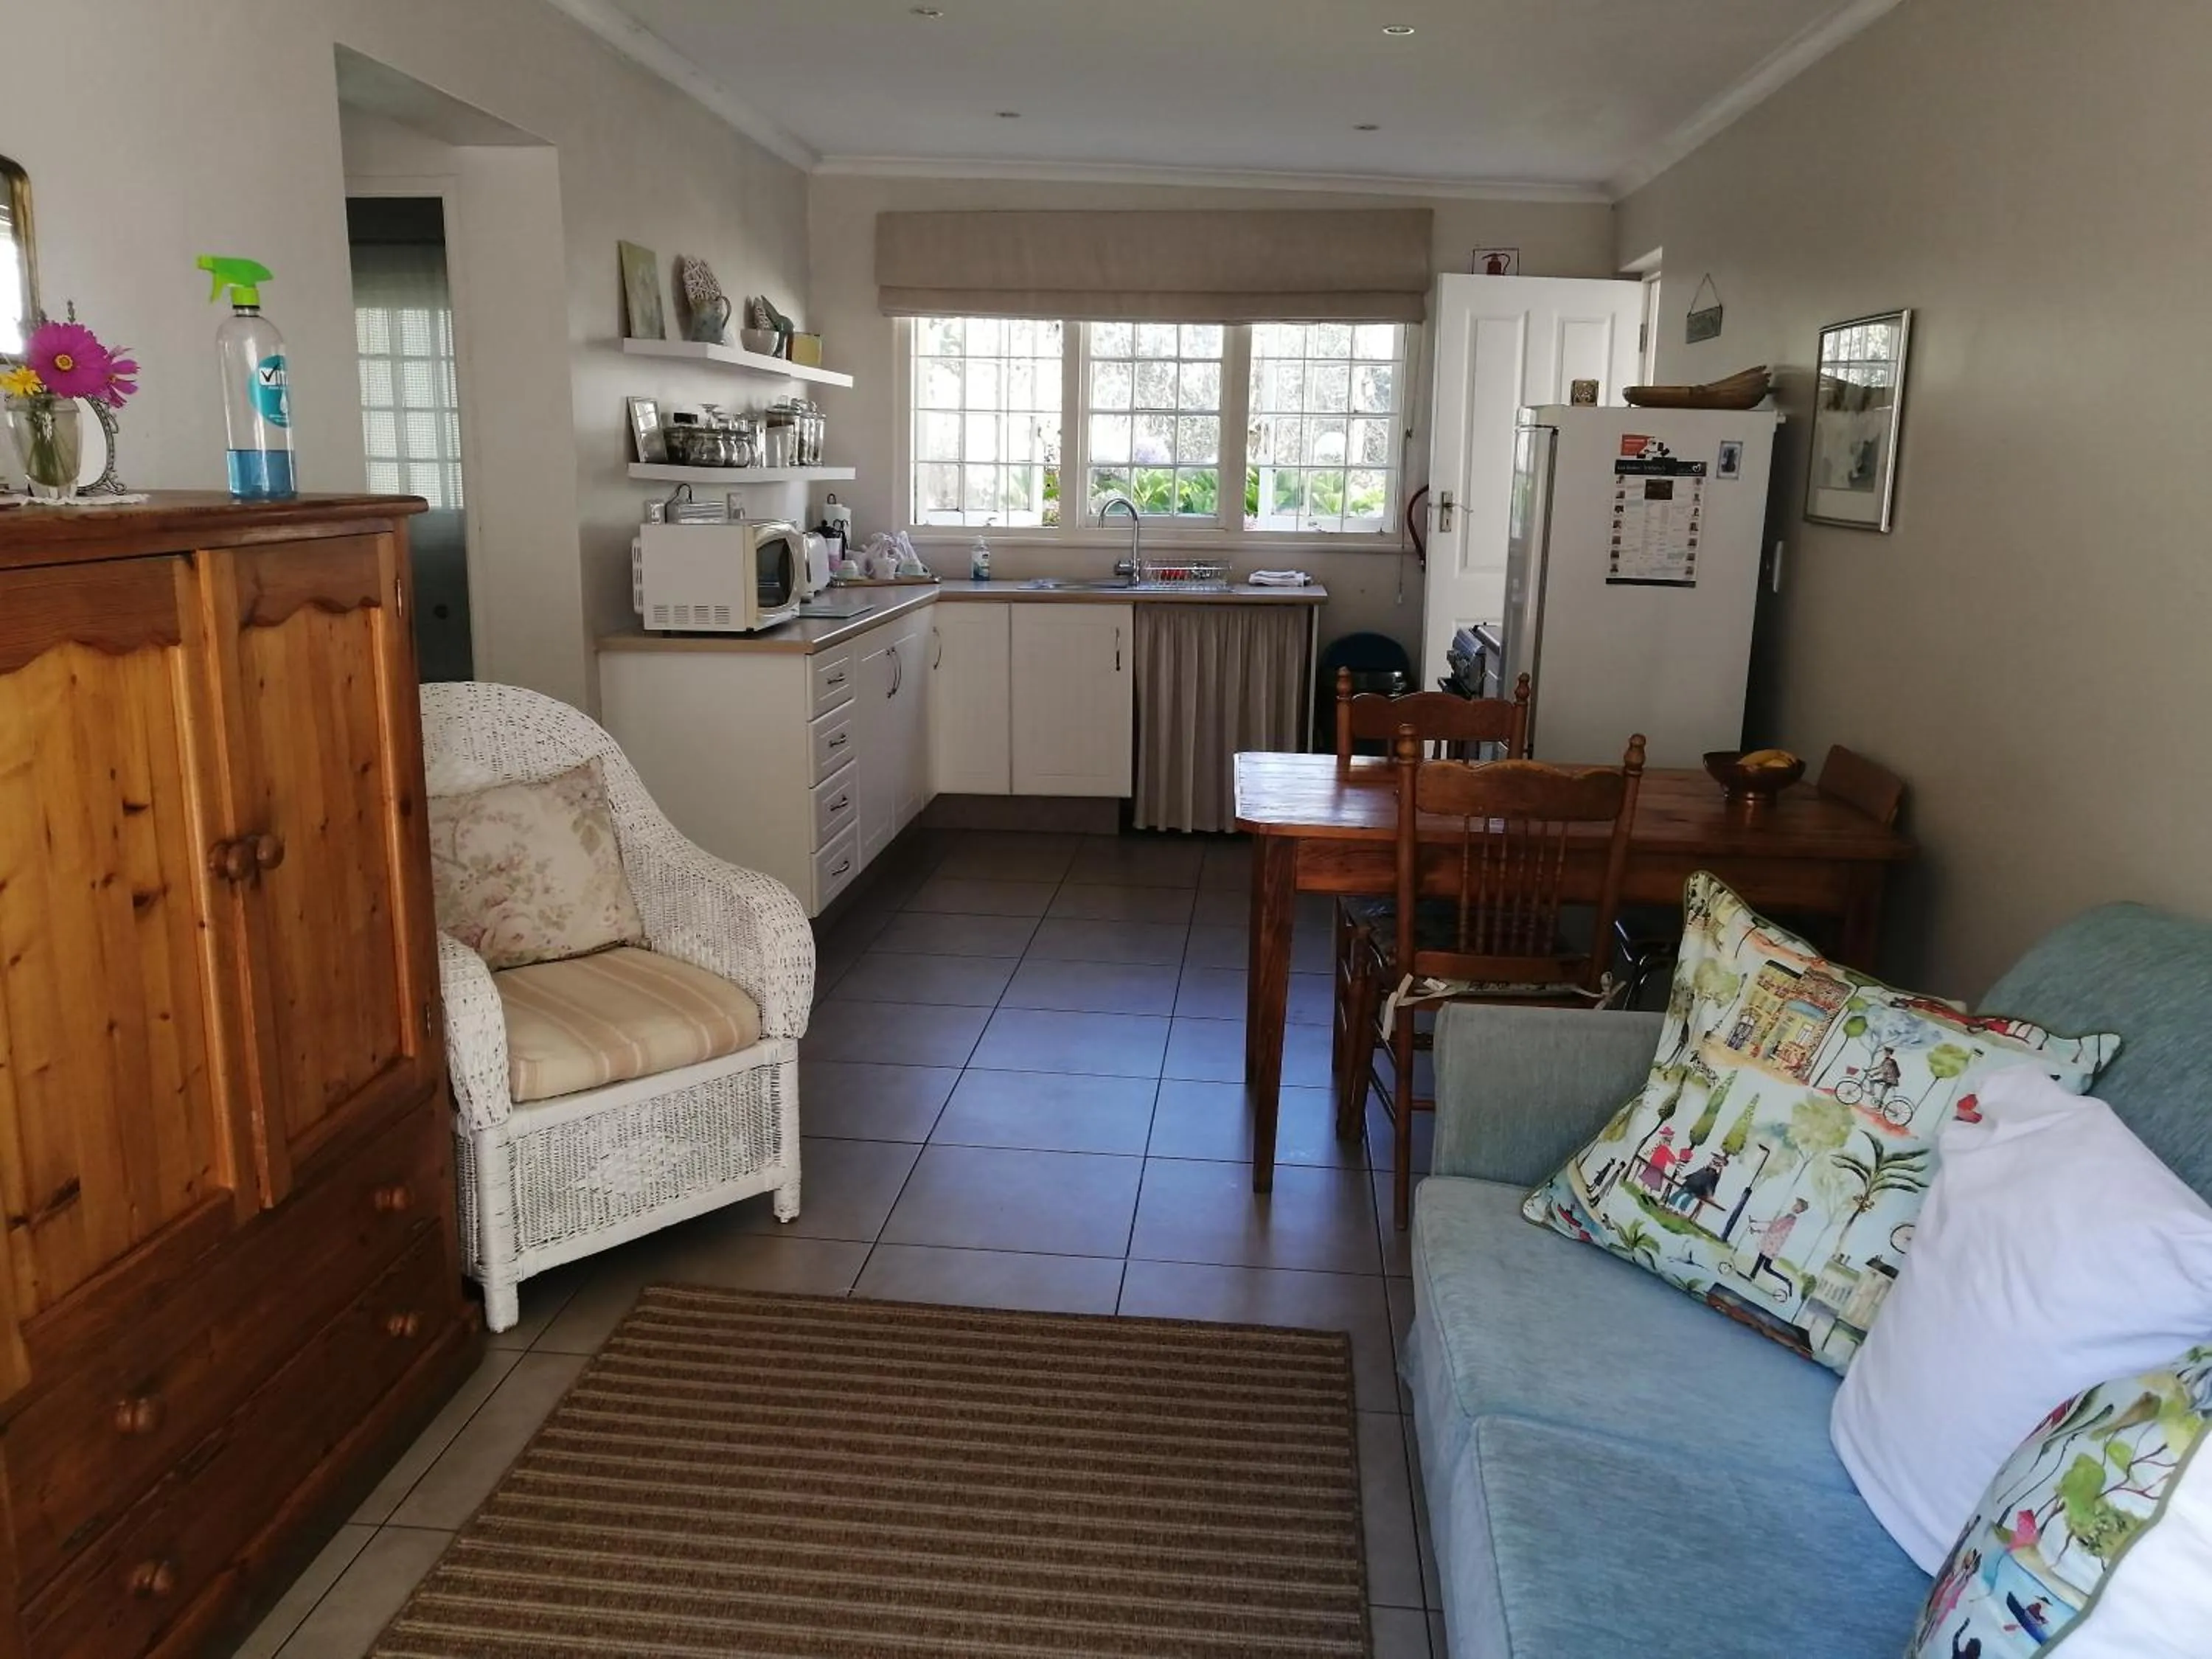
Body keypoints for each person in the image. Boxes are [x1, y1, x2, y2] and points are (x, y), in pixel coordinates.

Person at [1742, 1199, 1809, 1301]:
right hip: (1772, 1242)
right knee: (1766, 1266)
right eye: (1796, 1204)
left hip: (1772, 1244)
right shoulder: (1789, 1216)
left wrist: (1760, 1230)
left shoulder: (1791, 1218)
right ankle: (1785, 1280)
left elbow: (1777, 1227)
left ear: (1800, 1209)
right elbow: (1775, 1223)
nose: (1795, 1205)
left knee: (1763, 1262)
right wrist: (1758, 1224)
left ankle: (1752, 1276)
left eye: (1797, 1205)